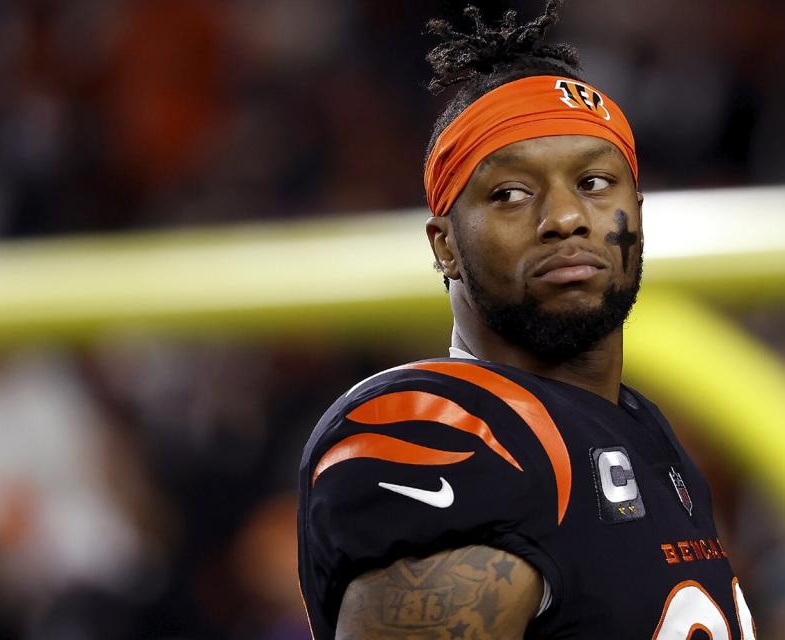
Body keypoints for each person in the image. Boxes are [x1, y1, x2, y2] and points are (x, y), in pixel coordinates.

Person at [298, 2, 757, 637]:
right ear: (445, 245)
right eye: (511, 193)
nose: (565, 217)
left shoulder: (645, 428)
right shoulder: (459, 437)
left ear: (639, 212)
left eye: (596, 183)